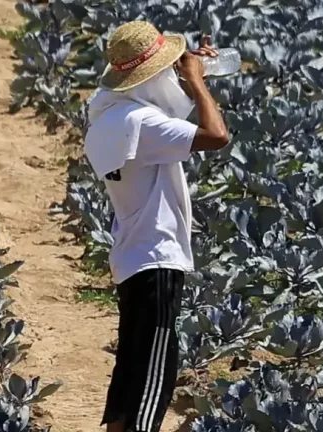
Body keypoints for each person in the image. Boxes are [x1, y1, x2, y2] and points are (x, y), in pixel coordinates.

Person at [83, 20, 230, 432]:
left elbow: (165, 109)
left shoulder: (111, 115)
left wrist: (189, 76)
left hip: (132, 260)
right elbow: (217, 135)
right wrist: (198, 83)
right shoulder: (145, 126)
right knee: (153, 383)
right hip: (158, 259)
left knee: (131, 377)